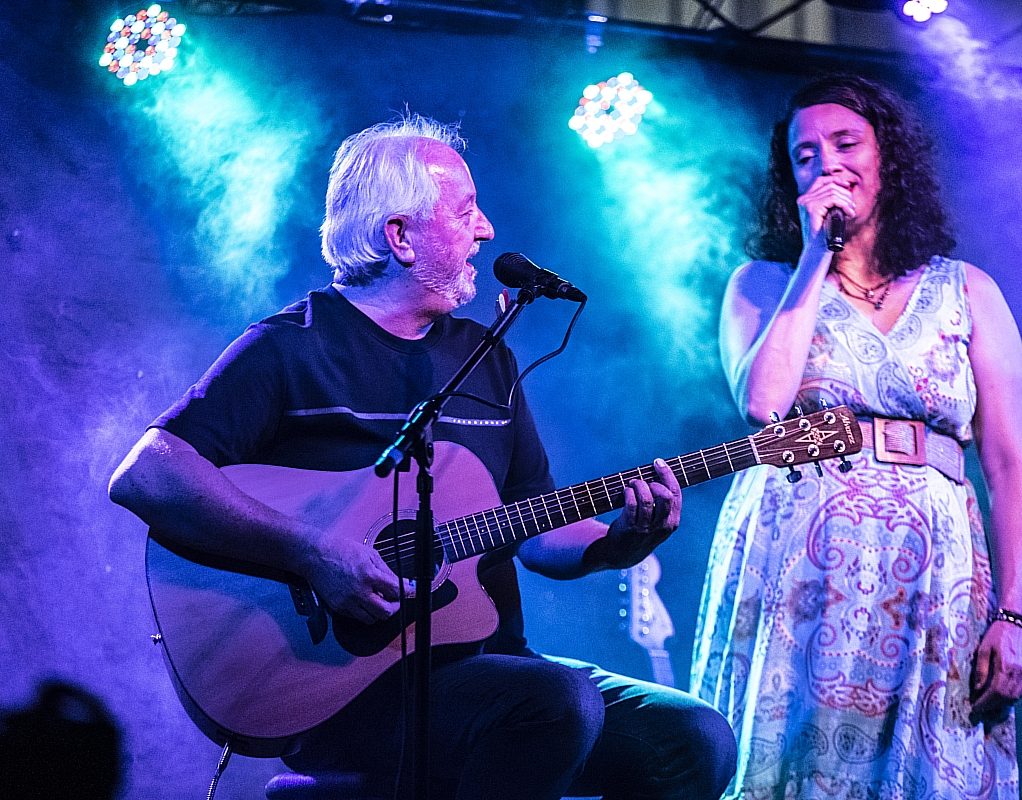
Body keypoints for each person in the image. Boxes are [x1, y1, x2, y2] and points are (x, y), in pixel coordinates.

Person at [109, 115, 735, 800]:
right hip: (344, 687)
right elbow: (147, 472)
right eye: (465, 211)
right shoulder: (291, 347)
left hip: (491, 668)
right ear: (399, 236)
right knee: (554, 703)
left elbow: (535, 527)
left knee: (693, 739)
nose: (487, 230)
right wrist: (313, 553)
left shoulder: (485, 357)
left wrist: (619, 542)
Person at [690, 76, 1022, 799]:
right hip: (795, 567)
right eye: (805, 155)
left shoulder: (967, 290)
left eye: (846, 143)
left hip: (933, 574)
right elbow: (764, 404)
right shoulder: (761, 285)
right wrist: (814, 258)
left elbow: (1011, 464)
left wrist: (1014, 614)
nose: (827, 163)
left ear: (889, 157)